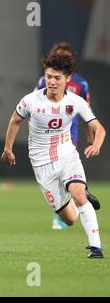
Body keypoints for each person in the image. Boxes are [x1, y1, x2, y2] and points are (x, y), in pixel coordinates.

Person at [1, 50, 105, 259]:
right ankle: (80, 194)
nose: (52, 82)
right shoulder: (31, 101)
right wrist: (7, 149)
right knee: (69, 219)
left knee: (78, 194)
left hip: (67, 155)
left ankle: (96, 248)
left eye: (57, 78)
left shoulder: (76, 102)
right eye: (49, 77)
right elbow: (14, 120)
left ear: (67, 79)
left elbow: (99, 128)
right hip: (42, 165)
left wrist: (96, 145)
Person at [36, 42, 100, 230]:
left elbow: (87, 113)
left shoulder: (81, 84)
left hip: (67, 136)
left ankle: (68, 209)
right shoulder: (45, 81)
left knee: (63, 176)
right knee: (53, 178)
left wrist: (90, 138)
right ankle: (81, 194)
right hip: (46, 138)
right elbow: (33, 104)